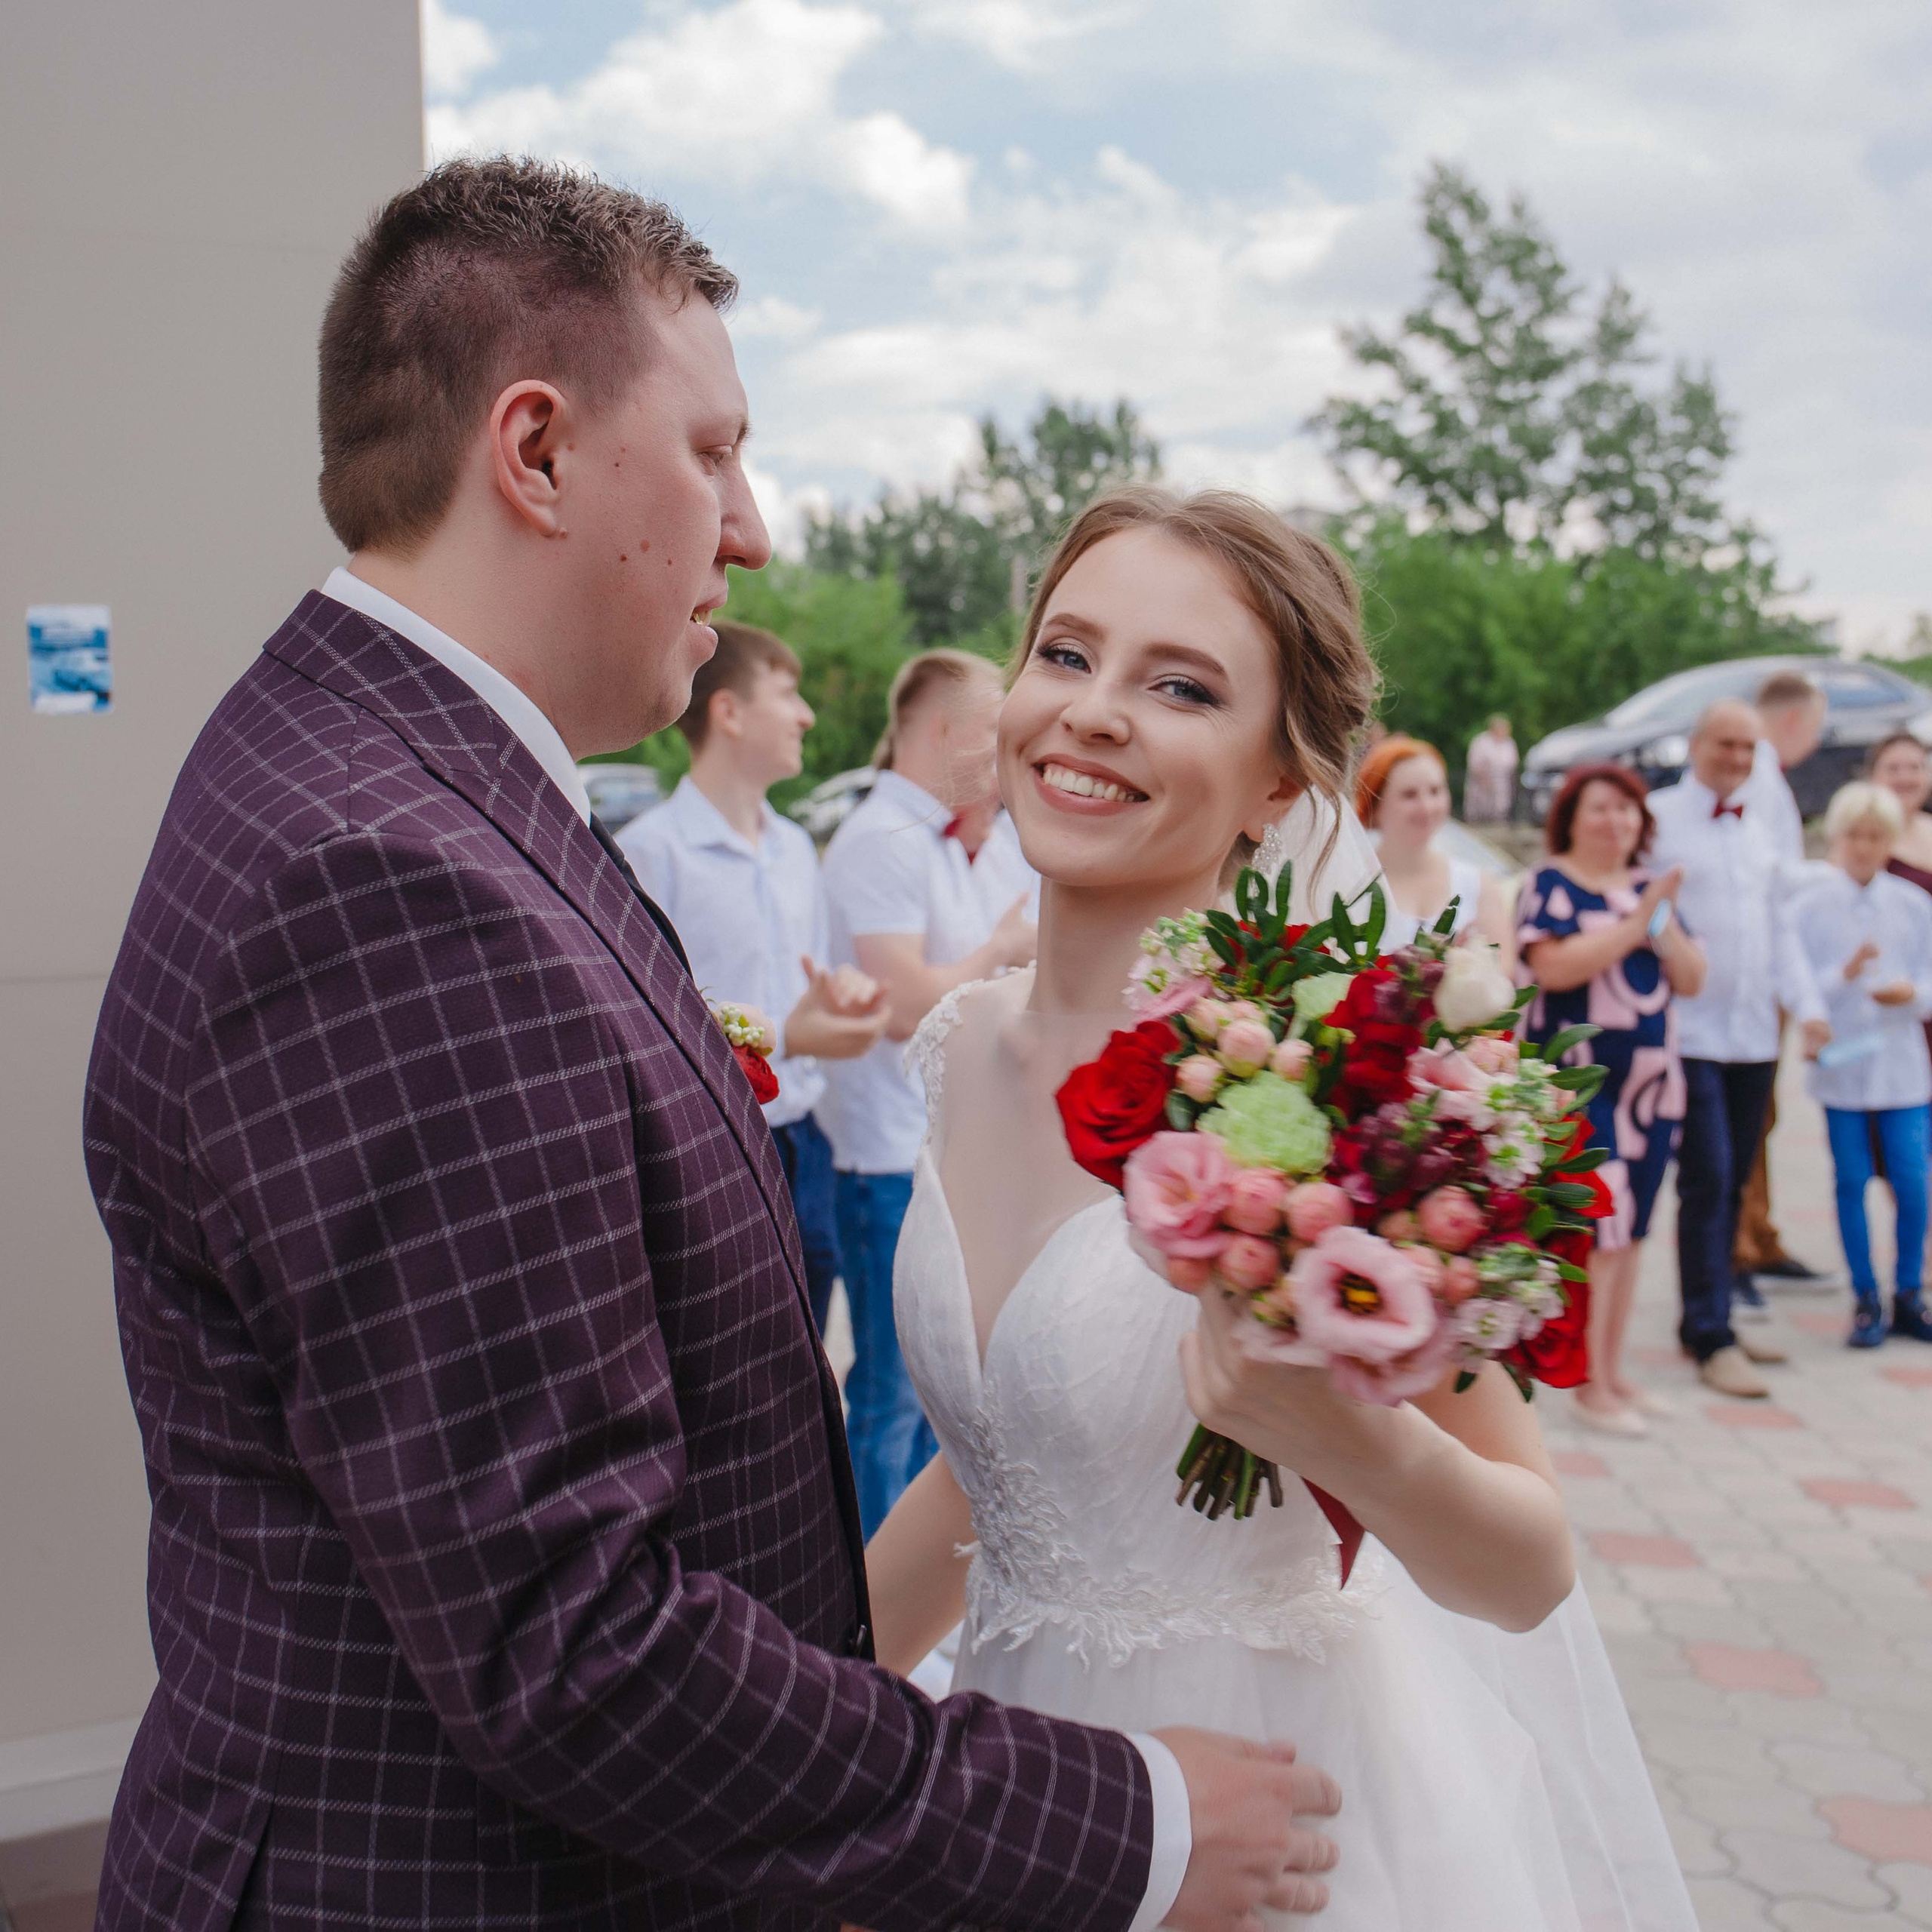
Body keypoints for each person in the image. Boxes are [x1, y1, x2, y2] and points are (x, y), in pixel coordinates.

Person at [82, 160, 1340, 1932]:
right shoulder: (389, 878)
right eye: (710, 449)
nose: (747, 526)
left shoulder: (392, 783)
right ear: (532, 453)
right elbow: (568, 1635)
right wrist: (1114, 1822)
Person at [866, 486, 1699, 1931]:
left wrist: (1348, 1441)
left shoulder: (1328, 1075)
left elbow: (1528, 1568)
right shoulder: (952, 1051)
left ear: (1276, 784)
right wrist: (814, 1729)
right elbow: (1003, 1463)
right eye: (1066, 655)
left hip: (1278, 1811)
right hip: (1012, 1782)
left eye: (1180, 685)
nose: (1096, 711)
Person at [817, 648, 1039, 1537]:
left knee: (948, 1395)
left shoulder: (980, 840)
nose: (1010, 745)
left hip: (956, 1153)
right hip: (884, 1153)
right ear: (944, 732)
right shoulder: (881, 837)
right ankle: (873, 1613)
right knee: (888, 1392)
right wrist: (995, 954)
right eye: (993, 727)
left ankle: (926, 1590)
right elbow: (908, 1002)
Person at [620, 620, 888, 1333]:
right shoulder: (650, 856)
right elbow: (644, 1032)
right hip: (718, 1151)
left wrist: (839, 998)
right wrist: (792, 1036)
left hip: (810, 1141)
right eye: (788, 694)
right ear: (729, 712)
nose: (806, 714)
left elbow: (806, 982)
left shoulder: (799, 847)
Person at [1516, 764, 1706, 1435]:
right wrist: (1638, 921)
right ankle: (1588, 1384)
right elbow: (1555, 966)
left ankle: (1614, 1369)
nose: (1615, 822)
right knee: (1598, 1232)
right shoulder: (1551, 885)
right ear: (1571, 816)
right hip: (1579, 1087)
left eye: (1627, 811)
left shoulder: (1647, 893)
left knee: (1635, 1233)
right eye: (1601, 809)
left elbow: (1693, 976)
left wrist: (1659, 918)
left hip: (1651, 1092)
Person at [1647, 700, 1829, 1399]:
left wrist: (1809, 1010)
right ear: (1696, 745)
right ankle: (1709, 1332)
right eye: (1725, 745)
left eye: (1749, 749)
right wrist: (1668, 937)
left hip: (1755, 1031)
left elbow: (1780, 928)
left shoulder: (1761, 832)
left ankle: (1713, 1312)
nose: (1737, 760)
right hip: (1691, 1031)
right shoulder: (1662, 818)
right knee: (1710, 1176)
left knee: (1739, 1174)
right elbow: (1646, 901)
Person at [1792, 783, 1932, 1349]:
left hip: (1900, 1066)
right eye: (1855, 835)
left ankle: (1907, 1290)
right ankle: (1865, 1295)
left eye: (1877, 837)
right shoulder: (1810, 905)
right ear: (1838, 836)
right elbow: (1799, 987)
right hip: (1842, 1066)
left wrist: (1911, 997)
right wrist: (1843, 976)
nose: (1865, 847)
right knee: (1850, 1180)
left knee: (1913, 1180)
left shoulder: (1912, 904)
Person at [1730, 670, 1830, 1299]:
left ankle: (1758, 1234)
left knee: (1763, 1115)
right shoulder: (1760, 776)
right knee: (1750, 1113)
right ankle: (1740, 1244)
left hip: (1771, 971)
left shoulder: (1768, 779)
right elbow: (1769, 883)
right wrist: (1829, 876)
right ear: (1794, 720)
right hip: (1758, 974)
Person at [1355, 734, 1513, 961]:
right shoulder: (1352, 886)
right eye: (1409, 795)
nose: (1426, 807)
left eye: (1435, 791)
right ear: (1375, 805)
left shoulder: (1479, 886)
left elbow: (1505, 976)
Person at [1464, 713, 1518, 823]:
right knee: (1479, 811)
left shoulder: (1509, 743)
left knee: (1500, 810)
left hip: (1502, 783)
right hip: (1482, 783)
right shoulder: (1481, 742)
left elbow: (1513, 762)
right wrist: (1483, 778)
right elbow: (1474, 762)